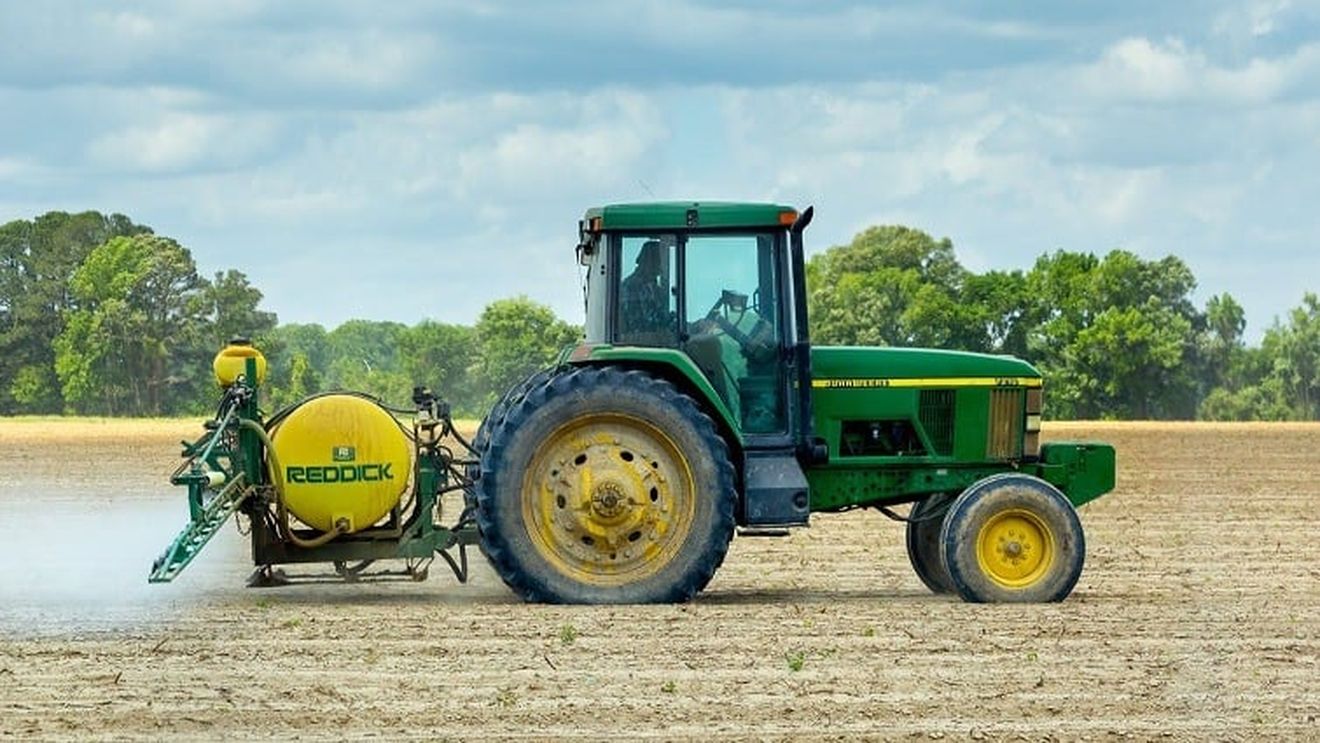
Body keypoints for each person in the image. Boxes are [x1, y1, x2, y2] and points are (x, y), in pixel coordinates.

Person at [619, 240, 670, 339]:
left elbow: (662, 318)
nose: (661, 269)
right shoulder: (630, 287)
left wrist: (690, 326)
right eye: (659, 263)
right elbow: (638, 324)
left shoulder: (656, 289)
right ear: (647, 262)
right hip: (640, 343)